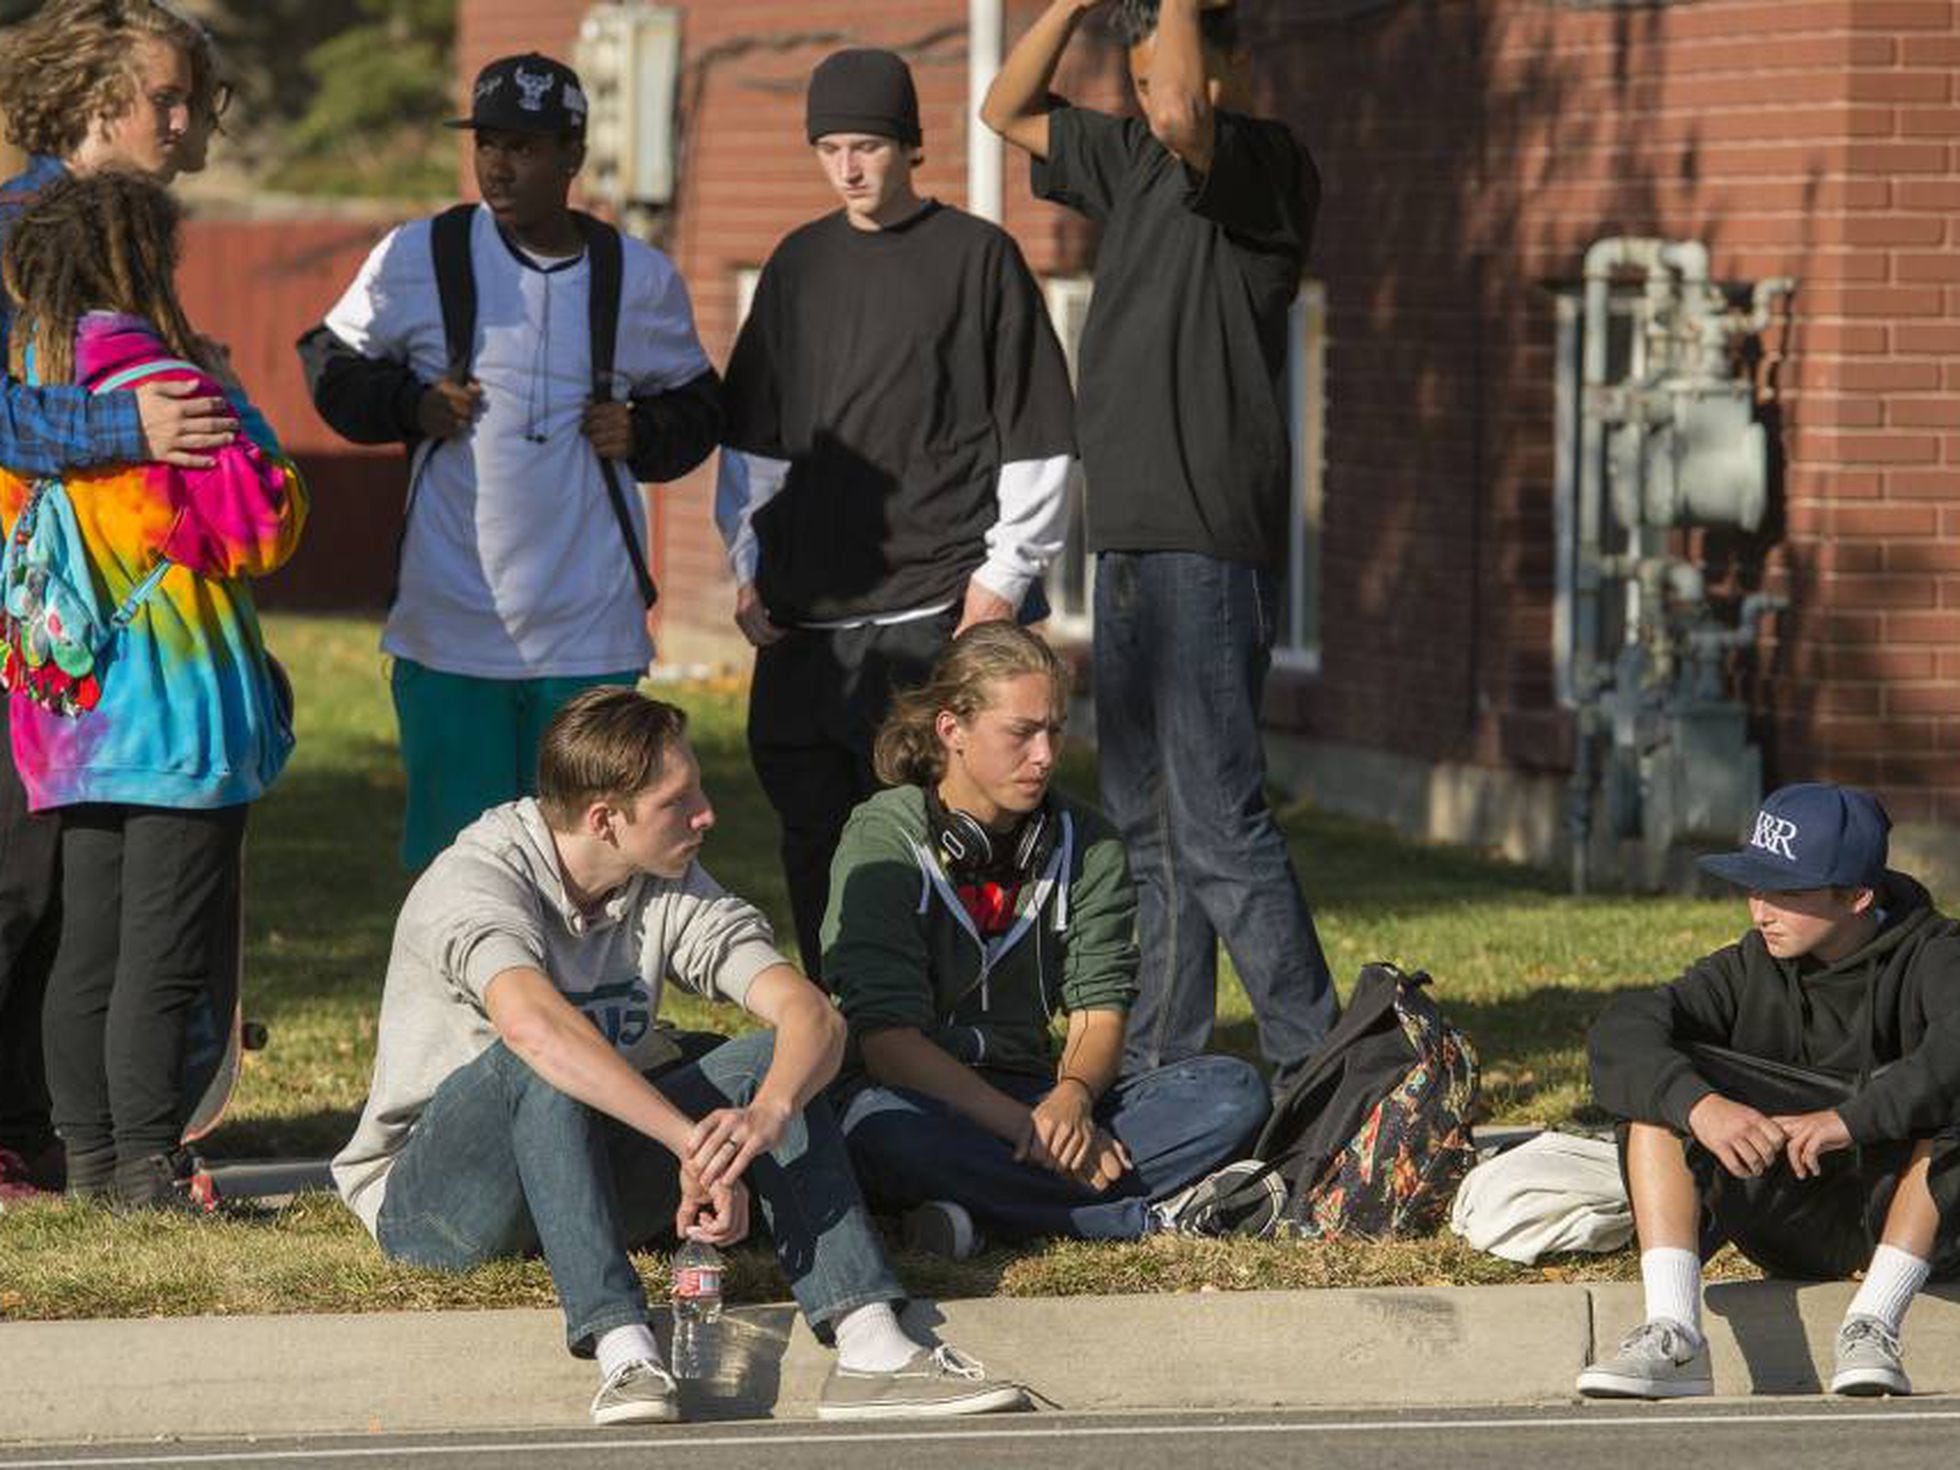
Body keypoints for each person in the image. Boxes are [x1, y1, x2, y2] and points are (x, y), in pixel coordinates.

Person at [331, 686, 1028, 1426]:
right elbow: (532, 1025)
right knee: (543, 1056)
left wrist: (767, 1114)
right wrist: (687, 1139)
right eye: (679, 801)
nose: (707, 814)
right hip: (443, 1207)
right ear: (605, 818)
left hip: (585, 1172)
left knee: (769, 1059)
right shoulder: (477, 879)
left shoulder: (662, 879)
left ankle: (872, 1347)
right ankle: (624, 1350)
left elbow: (811, 1014)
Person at [982, 0, 1338, 1088]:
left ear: (1231, 65)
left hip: (1203, 538)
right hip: (1130, 538)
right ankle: (1160, 1062)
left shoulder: (1265, 168)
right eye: (1129, 82)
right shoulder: (1129, 156)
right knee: (1142, 825)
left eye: (1159, 79)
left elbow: (1185, 105)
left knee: (1218, 818)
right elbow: (1005, 107)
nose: (1145, 99)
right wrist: (1073, 9)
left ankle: (1314, 1065)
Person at [301, 53, 723, 869]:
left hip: (590, 627)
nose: (499, 163)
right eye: (487, 142)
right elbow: (330, 363)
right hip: (451, 621)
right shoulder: (421, 255)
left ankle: (583, 1000)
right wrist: (411, 407)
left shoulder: (636, 276)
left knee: (596, 855)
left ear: (573, 155)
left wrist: (642, 430)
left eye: (524, 146)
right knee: (456, 859)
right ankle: (456, 1001)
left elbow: (701, 406)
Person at [715, 47, 1073, 982]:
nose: (848, 167)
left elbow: (1038, 433)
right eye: (829, 147)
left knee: (948, 845)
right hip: (806, 623)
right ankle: (842, 1036)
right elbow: (754, 438)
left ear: (911, 145)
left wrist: (1003, 581)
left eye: (867, 145)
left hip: (935, 609)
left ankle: (959, 1040)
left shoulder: (977, 259)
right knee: (814, 844)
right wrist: (745, 565)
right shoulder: (796, 266)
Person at [0, 170, 306, 1209]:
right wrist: (243, 408)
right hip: (175, 711)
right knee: (163, 946)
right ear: (136, 261)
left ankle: (86, 1160)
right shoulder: (157, 376)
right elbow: (259, 526)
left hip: (65, 709)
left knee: (87, 942)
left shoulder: (28, 381)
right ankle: (144, 1167)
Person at [0, 0, 240, 1204]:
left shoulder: (126, 256)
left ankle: (56, 1133)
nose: (185, 121)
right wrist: (124, 422)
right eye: (164, 98)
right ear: (95, 99)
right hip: (33, 635)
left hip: (91, 649)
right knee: (18, 892)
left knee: (67, 905)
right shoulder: (15, 234)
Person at [826, 622, 1279, 1257]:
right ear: (951, 730)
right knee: (879, 1133)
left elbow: (1100, 1009)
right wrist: (1028, 1130)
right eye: (1021, 733)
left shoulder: (1087, 842)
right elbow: (889, 1044)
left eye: (1054, 730)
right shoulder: (883, 838)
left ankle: (981, 1215)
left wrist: (1073, 1098)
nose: (1044, 755)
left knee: (1234, 1092)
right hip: (918, 1097)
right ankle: (1134, 1218)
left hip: (1037, 1096)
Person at [1581, 783, 1960, 1400]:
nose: (1761, 910)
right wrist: (1702, 1108)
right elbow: (1623, 1030)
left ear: (1858, 896)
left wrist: (1850, 1120)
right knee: (1660, 1091)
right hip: (1796, 1213)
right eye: (1754, 886)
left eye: (1787, 892)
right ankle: (1674, 1334)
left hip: (1923, 1216)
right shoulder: (1749, 965)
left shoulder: (1935, 957)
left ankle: (1874, 1325)